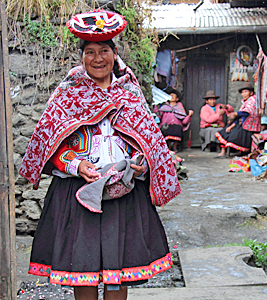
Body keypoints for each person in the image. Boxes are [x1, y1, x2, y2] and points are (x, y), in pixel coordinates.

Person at [18, 10, 181, 300]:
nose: (97, 58)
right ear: (82, 56)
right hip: (80, 193)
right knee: (84, 269)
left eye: (103, 51)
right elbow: (50, 146)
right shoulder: (68, 94)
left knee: (119, 270)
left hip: (124, 194)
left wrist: (141, 165)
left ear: (114, 53)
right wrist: (77, 165)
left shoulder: (130, 92)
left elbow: (147, 141)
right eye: (90, 52)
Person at [215, 83, 261, 158]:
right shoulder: (245, 102)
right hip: (242, 124)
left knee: (232, 136)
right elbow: (239, 115)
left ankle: (232, 152)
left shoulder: (253, 100)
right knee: (224, 131)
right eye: (242, 92)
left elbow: (247, 112)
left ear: (251, 93)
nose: (243, 94)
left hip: (249, 127)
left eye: (245, 91)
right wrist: (232, 125)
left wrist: (235, 114)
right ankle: (223, 152)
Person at [154, 87, 193, 152]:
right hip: (166, 126)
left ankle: (175, 147)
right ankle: (168, 147)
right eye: (170, 95)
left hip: (176, 126)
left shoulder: (180, 107)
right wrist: (155, 108)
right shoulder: (164, 107)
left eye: (173, 95)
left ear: (177, 99)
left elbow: (184, 121)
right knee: (167, 130)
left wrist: (189, 116)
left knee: (177, 129)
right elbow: (159, 116)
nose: (171, 96)